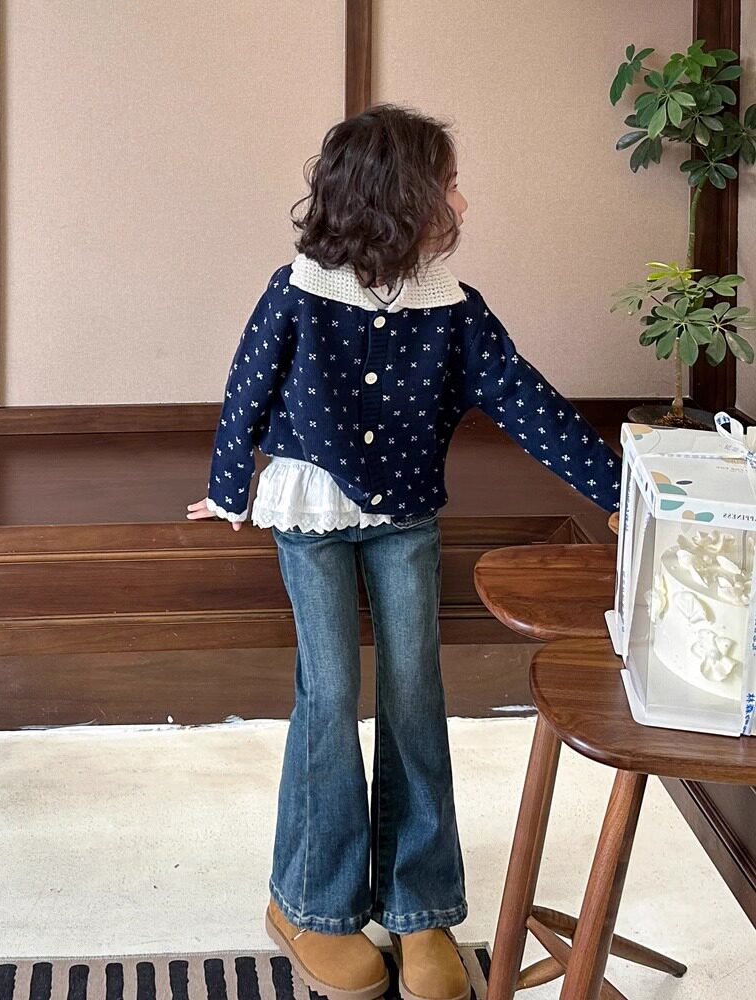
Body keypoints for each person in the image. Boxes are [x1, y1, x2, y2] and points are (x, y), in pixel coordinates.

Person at [186, 103, 621, 1000]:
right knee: (329, 694)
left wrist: (624, 494)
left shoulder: (453, 309)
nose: (462, 200)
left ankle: (421, 908)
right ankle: (311, 904)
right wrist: (230, 490)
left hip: (406, 517)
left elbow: (528, 403)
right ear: (400, 196)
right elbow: (246, 387)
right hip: (310, 510)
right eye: (449, 183)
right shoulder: (298, 290)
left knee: (416, 696)